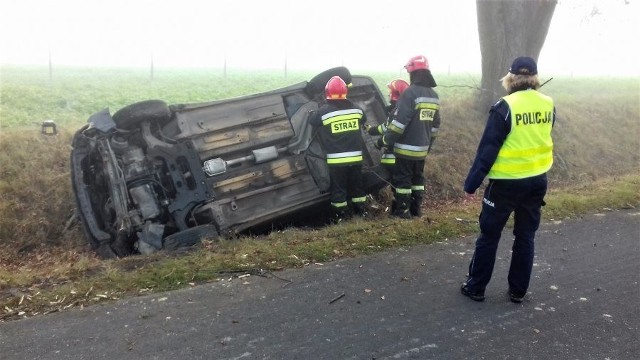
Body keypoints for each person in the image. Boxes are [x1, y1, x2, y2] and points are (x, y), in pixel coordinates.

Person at [460, 56, 556, 303]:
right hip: (537, 181)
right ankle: (518, 291)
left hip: (505, 183)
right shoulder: (548, 104)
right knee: (525, 236)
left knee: (489, 235)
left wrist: (471, 184)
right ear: (535, 78)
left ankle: (476, 287)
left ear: (511, 78)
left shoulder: (505, 107)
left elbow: (487, 151)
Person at [377, 55, 441, 218]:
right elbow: (435, 126)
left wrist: (384, 140)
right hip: (422, 150)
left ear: (412, 72)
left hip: (405, 149)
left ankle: (402, 212)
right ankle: (416, 210)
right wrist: (428, 145)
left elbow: (399, 124)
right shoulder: (433, 96)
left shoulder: (410, 93)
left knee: (403, 180)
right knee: (418, 180)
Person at [310, 75, 368, 222]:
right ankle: (361, 213)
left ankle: (339, 217)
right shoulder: (357, 110)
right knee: (357, 187)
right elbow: (364, 119)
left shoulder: (324, 112)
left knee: (338, 189)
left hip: (337, 161)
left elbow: (313, 121)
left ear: (327, 93)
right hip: (356, 159)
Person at [366, 79, 410, 169]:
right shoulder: (410, 110)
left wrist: (378, 141)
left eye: (390, 92)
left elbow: (388, 129)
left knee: (399, 181)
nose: (389, 94)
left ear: (395, 94)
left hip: (394, 159)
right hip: (410, 158)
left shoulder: (397, 112)